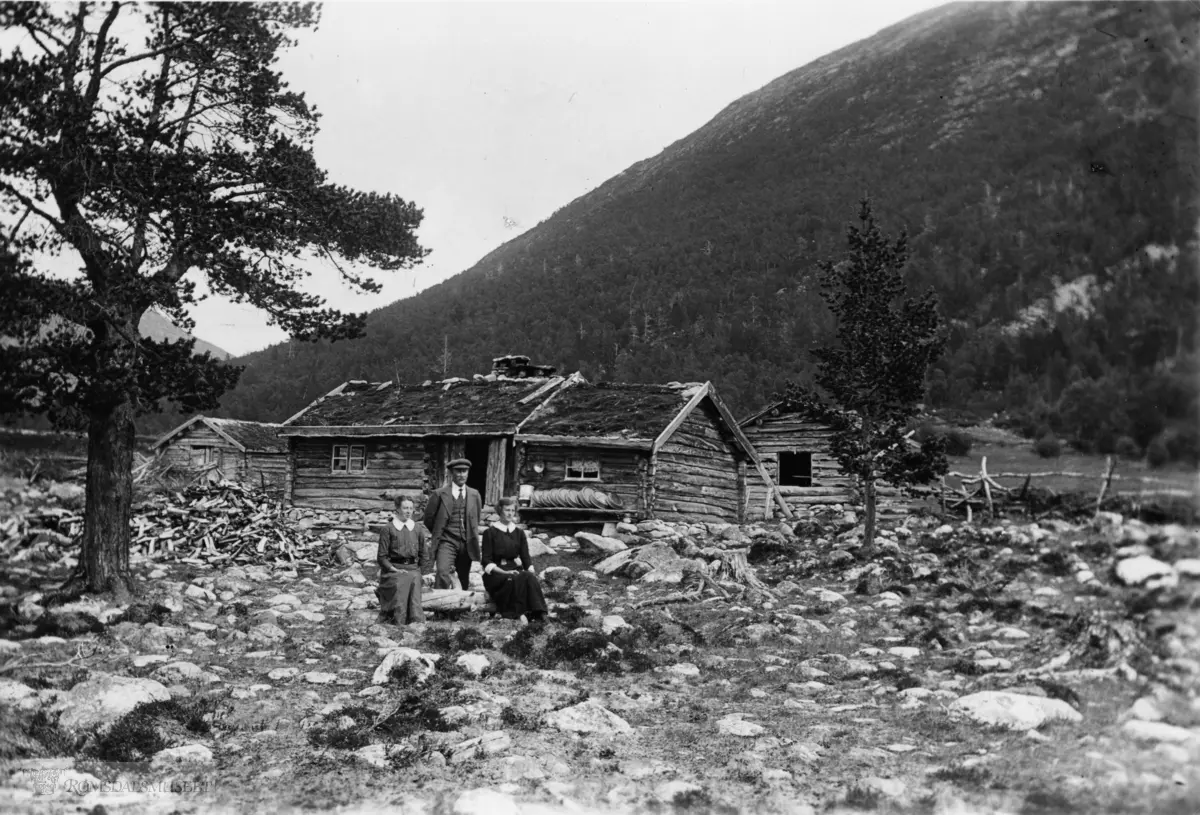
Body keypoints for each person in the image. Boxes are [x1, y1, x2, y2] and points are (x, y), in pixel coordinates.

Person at [481, 496, 547, 624]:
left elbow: (525, 556)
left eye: (512, 510)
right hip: (496, 573)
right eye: (507, 510)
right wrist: (504, 572)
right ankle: (517, 613)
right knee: (512, 579)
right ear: (500, 511)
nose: (510, 513)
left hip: (513, 568)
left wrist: (531, 570)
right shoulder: (490, 533)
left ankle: (541, 614)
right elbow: (486, 560)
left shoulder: (518, 533)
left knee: (529, 577)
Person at [424, 457, 483, 591]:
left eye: (465, 471)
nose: (462, 474)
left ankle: (461, 609)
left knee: (463, 576)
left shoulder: (474, 494)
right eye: (458, 471)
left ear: (468, 473)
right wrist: (441, 531)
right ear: (451, 473)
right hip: (447, 541)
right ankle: (441, 607)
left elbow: (475, 518)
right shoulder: (439, 494)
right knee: (443, 572)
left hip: (466, 542)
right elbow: (428, 519)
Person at [375, 495, 430, 625]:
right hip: (394, 570)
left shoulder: (417, 528)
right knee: (401, 583)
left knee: (415, 581)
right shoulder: (388, 529)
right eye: (405, 508)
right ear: (397, 509)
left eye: (411, 508)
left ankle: (415, 623)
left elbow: (424, 554)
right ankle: (397, 621)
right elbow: (381, 557)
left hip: (413, 569)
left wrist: (422, 572)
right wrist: (393, 569)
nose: (408, 511)